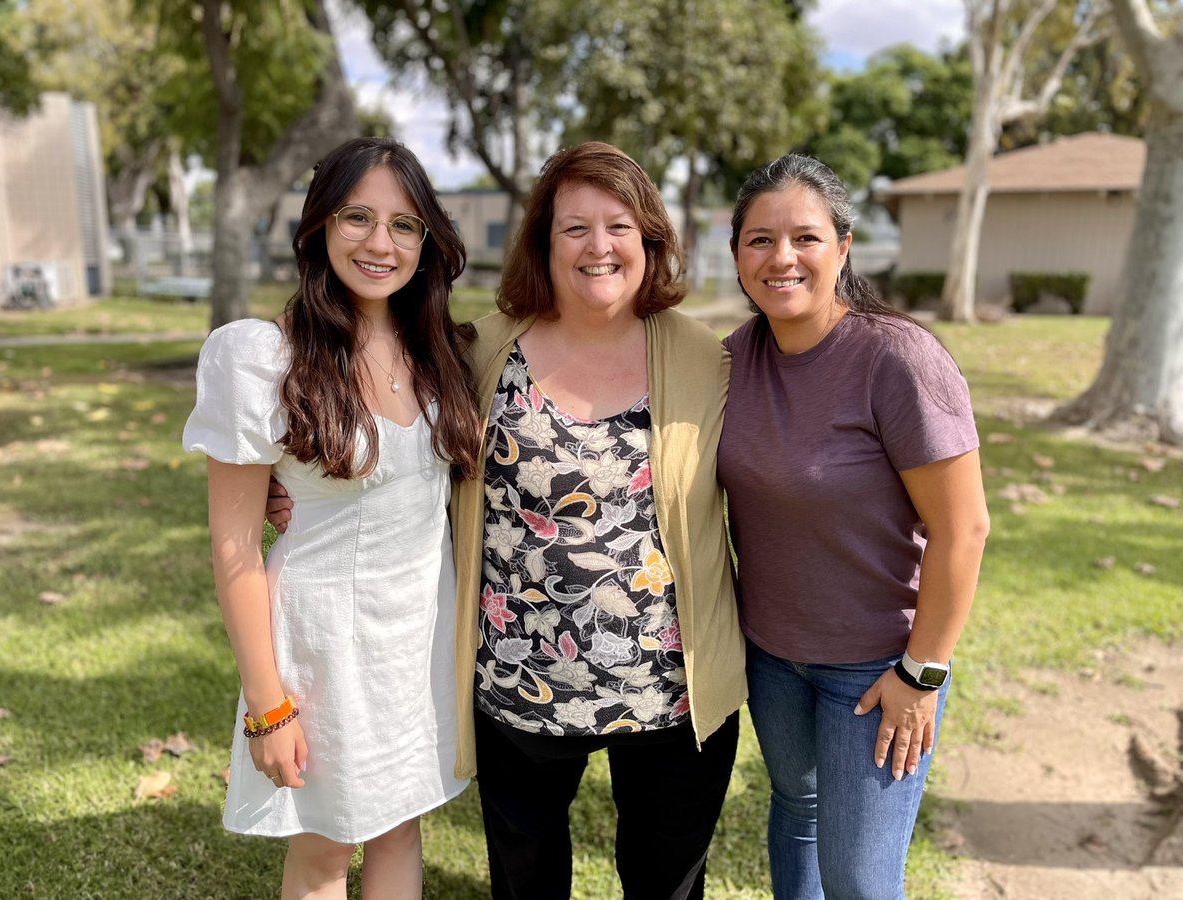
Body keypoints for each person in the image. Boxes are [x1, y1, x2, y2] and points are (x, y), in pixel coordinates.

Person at [270, 141, 745, 899]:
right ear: (543, 244)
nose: (598, 246)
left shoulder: (709, 358)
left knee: (668, 886)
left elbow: (780, 462)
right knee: (526, 884)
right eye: (574, 228)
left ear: (651, 241)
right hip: (518, 685)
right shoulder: (481, 349)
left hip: (670, 693)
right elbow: (394, 431)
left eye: (620, 227)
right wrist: (286, 478)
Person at [182, 136, 481, 900]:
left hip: (417, 643)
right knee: (325, 848)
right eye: (358, 217)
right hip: (323, 646)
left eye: (404, 224)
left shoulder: (439, 352)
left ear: (427, 241)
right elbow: (234, 550)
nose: (381, 243)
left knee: (400, 826)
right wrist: (268, 705)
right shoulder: (263, 359)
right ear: (317, 225)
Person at [718, 154, 990, 899]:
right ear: (737, 255)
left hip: (877, 670)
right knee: (797, 812)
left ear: (842, 248)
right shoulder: (734, 359)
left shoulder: (897, 359)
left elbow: (964, 529)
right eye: (760, 240)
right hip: (771, 657)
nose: (782, 258)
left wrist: (921, 674)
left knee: (860, 882)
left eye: (805, 238)